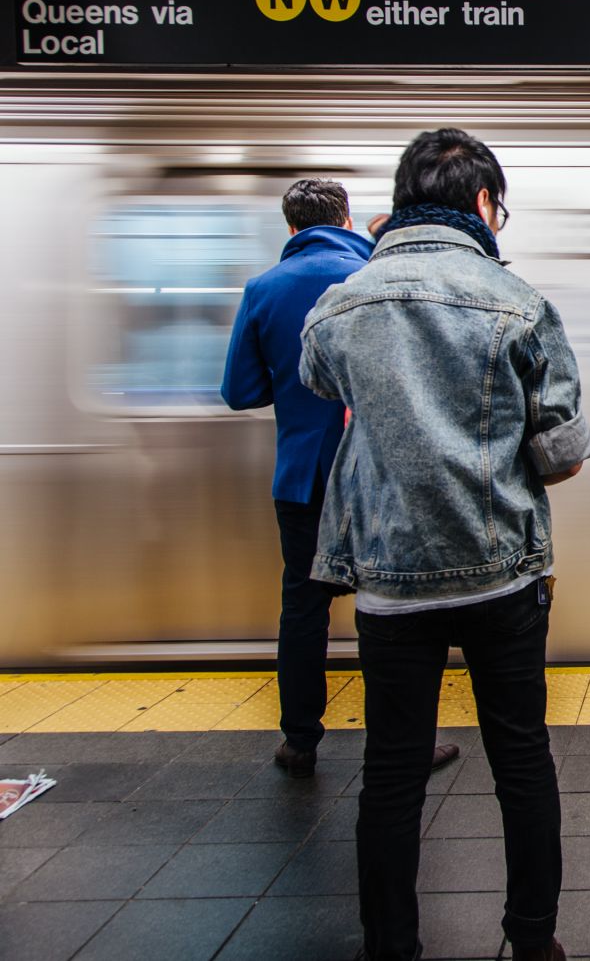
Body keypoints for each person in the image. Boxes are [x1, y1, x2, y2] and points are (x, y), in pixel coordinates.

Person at [300, 129, 587, 961]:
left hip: (389, 582)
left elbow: (319, 380)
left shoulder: (342, 301)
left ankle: (391, 944)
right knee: (521, 759)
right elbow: (562, 452)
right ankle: (532, 939)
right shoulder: (520, 302)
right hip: (503, 575)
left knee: (390, 771)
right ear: (484, 205)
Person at [221, 179, 459, 780]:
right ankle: (409, 741)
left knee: (303, 609)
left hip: (303, 480)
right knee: (396, 610)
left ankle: (300, 741)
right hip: (381, 475)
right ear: (347, 217)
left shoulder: (262, 289)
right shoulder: (375, 278)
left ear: (290, 226)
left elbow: (240, 392)